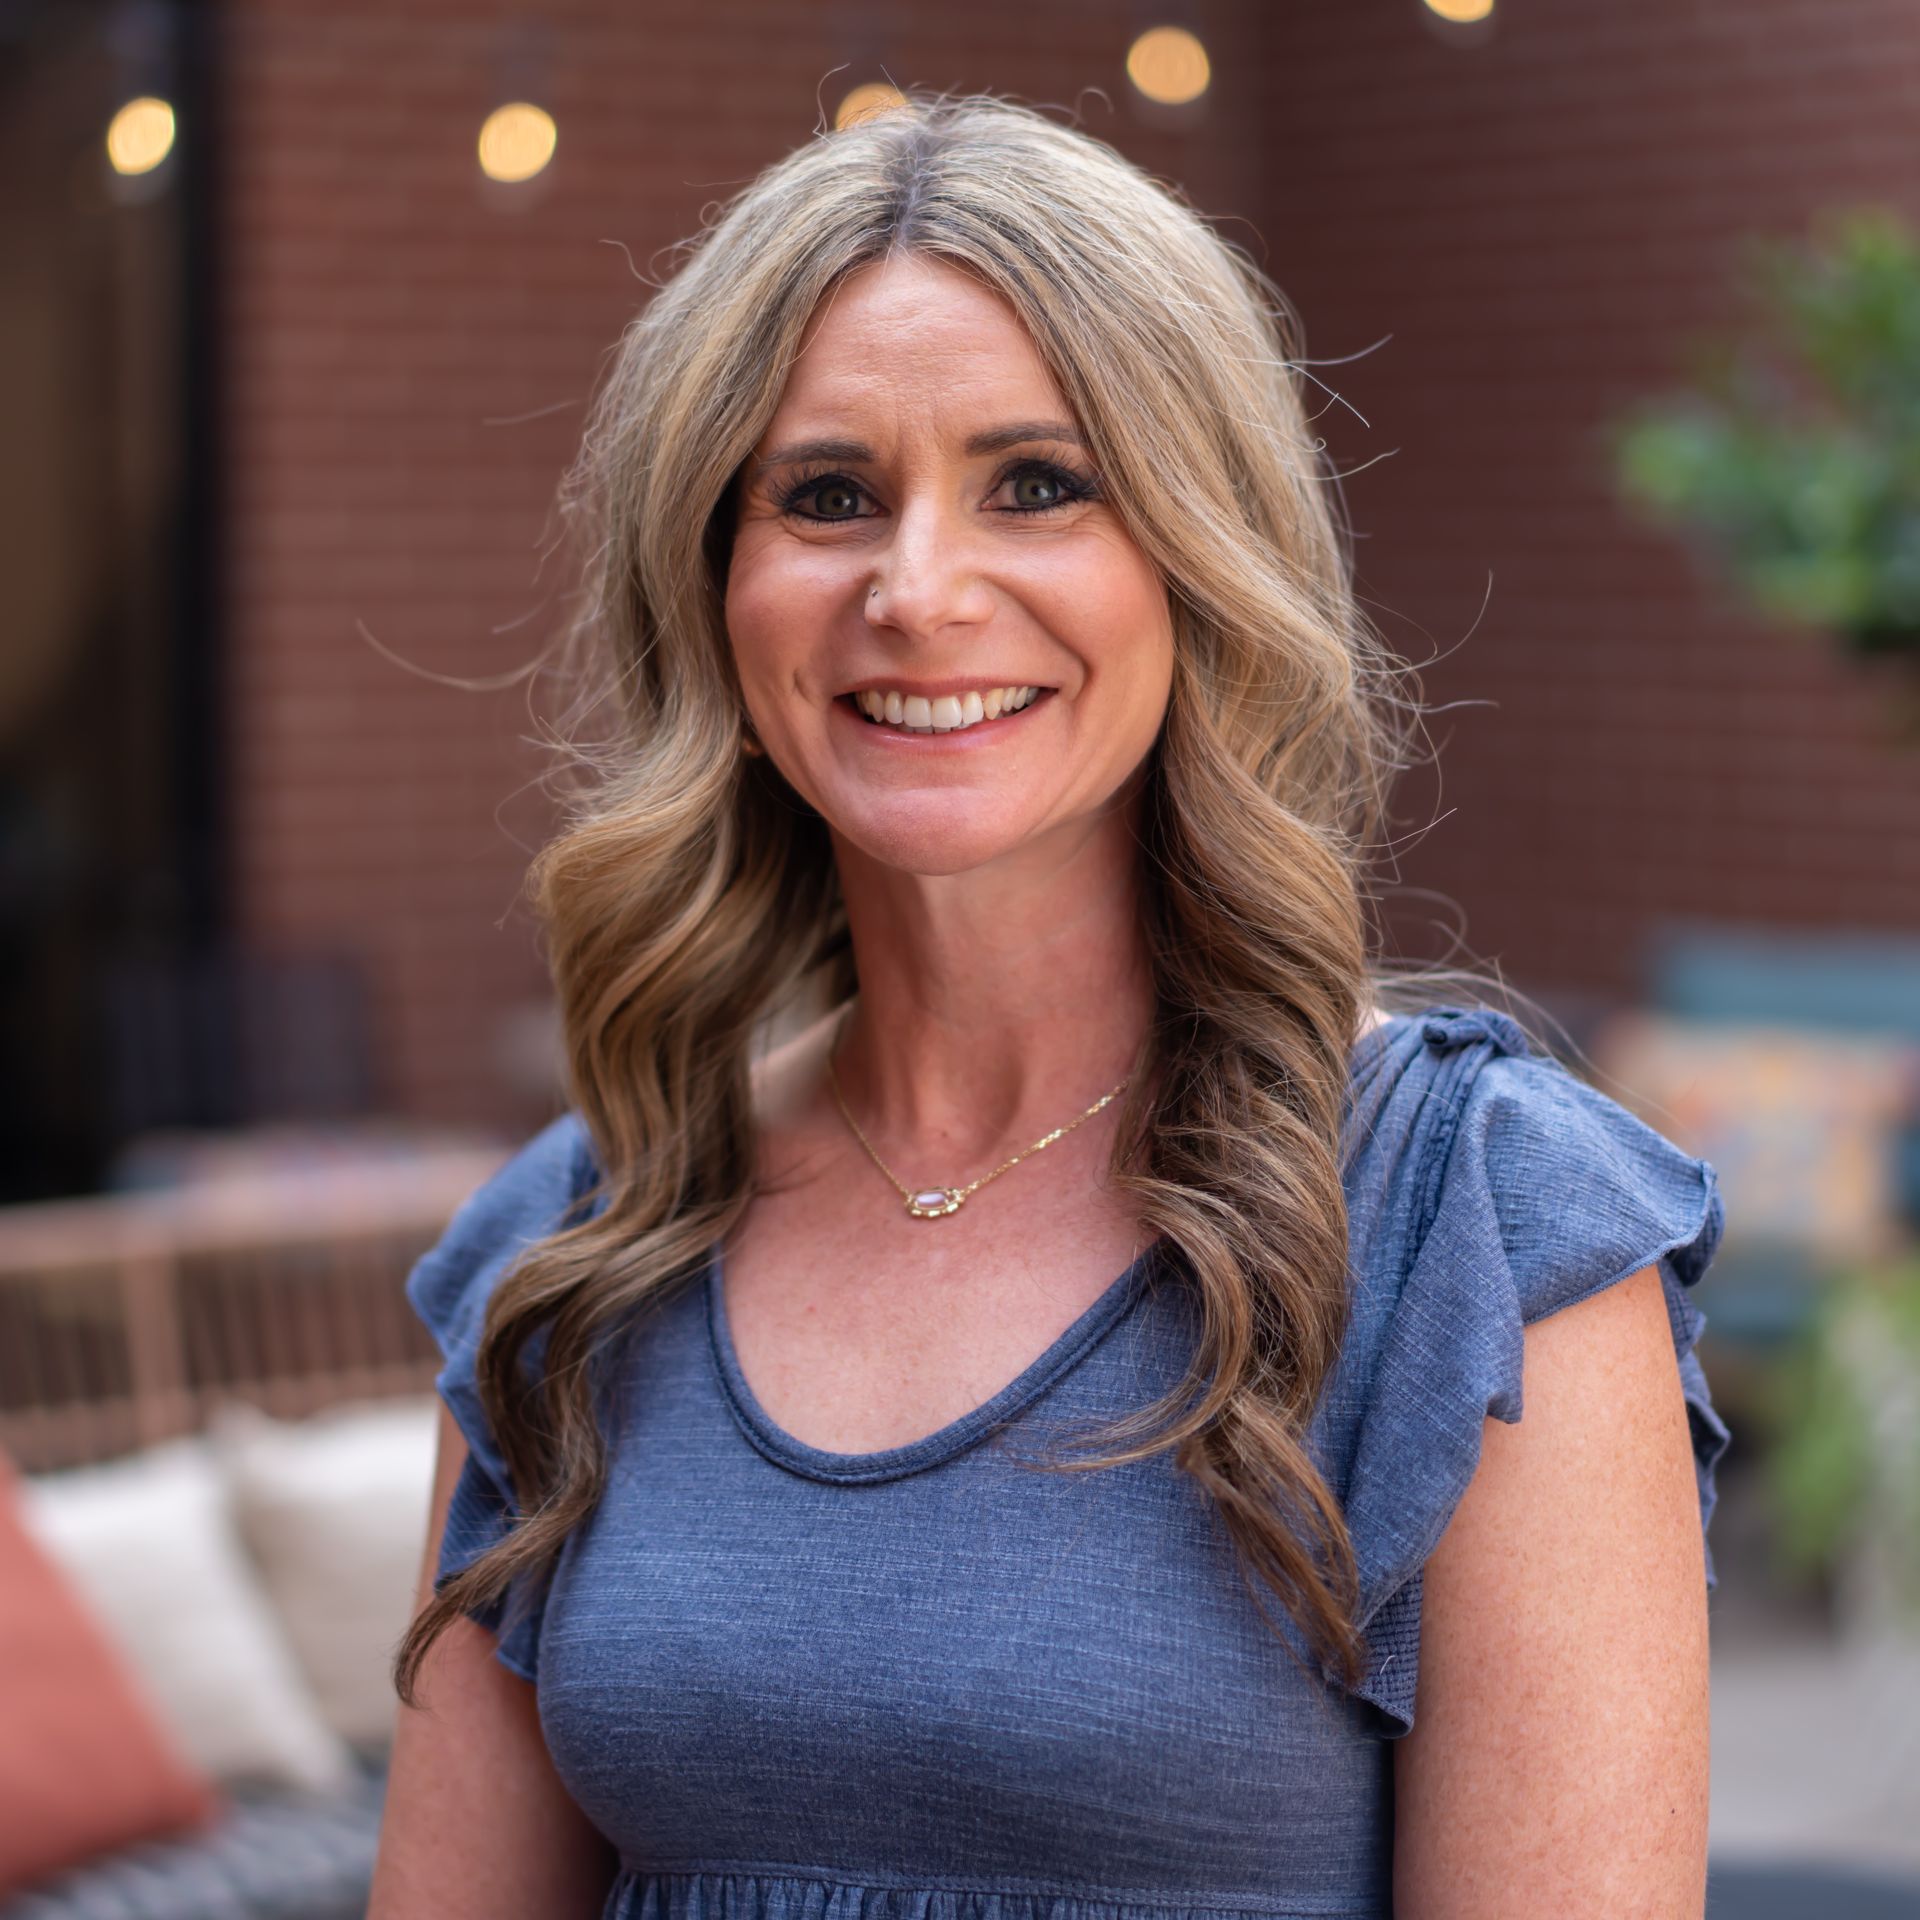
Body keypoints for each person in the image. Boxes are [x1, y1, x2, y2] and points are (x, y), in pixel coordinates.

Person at [369, 92, 1730, 1920]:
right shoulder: (569, 1252)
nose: (919, 592)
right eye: (827, 495)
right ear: (716, 588)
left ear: (1194, 551)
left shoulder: (1474, 1238)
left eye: (1040, 483)